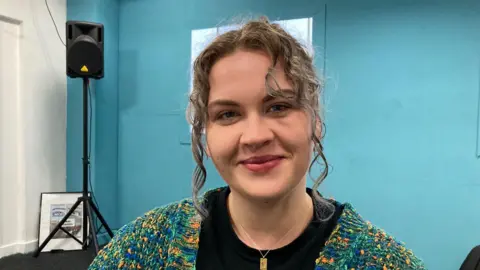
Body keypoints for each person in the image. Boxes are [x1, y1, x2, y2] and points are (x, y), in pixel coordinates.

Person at [88, 17, 425, 270]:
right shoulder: (145, 248)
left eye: (278, 107)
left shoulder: (384, 261)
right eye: (228, 114)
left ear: (315, 122)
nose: (255, 136)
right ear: (205, 135)